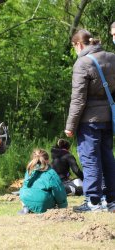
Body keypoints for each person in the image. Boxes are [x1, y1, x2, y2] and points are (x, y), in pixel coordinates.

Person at [65, 29, 115, 213]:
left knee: (90, 159)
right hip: (109, 118)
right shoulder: (111, 58)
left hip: (89, 121)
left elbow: (78, 99)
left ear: (78, 44)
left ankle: (93, 201)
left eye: (74, 46)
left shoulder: (82, 63)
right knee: (107, 157)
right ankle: (111, 201)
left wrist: (70, 126)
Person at [18, 149, 68, 214]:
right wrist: (63, 206)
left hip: (25, 198)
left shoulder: (29, 169)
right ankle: (41, 208)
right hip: (42, 203)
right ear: (48, 160)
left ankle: (26, 207)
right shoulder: (51, 173)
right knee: (49, 196)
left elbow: (25, 185)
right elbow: (58, 191)